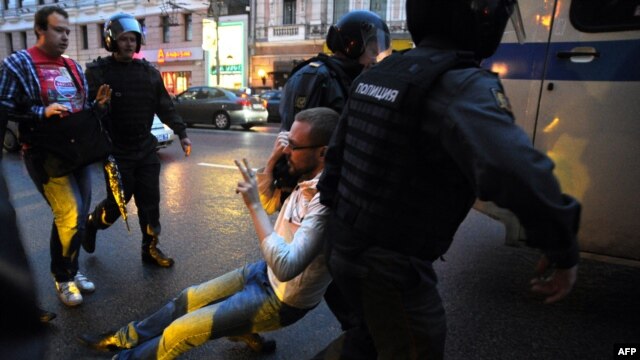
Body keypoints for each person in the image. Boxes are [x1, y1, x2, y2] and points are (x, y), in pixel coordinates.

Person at [316, 0, 581, 358]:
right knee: (414, 346)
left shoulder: (379, 73)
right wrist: (562, 245)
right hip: (389, 266)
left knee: (369, 340)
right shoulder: (459, 84)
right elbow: (517, 172)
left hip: (345, 245)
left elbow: (334, 164)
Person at [78, 107, 339, 359]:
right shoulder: (304, 175)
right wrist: (271, 162)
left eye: (293, 146)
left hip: (282, 298)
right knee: (187, 298)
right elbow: (271, 204)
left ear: (323, 153)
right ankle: (126, 337)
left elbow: (286, 266)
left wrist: (254, 206)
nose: (286, 150)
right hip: (264, 271)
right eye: (286, 142)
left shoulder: (326, 200)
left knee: (181, 331)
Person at [0, 6, 111, 307]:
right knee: (70, 213)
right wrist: (40, 111)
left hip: (76, 151)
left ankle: (72, 271)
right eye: (58, 30)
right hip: (44, 154)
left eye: (67, 30)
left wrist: (97, 107)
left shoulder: (72, 67)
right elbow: (4, 107)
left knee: (77, 215)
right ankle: (62, 277)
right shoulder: (18, 64)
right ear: (39, 30)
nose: (65, 36)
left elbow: (81, 108)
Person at [82, 13, 192, 267]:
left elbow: (166, 106)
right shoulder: (98, 73)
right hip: (116, 151)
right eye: (123, 39)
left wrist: (182, 133)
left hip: (144, 148)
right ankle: (92, 223)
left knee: (150, 202)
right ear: (111, 41)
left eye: (133, 39)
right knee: (116, 206)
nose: (129, 44)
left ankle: (150, 249)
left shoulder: (148, 73)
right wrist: (100, 106)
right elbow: (89, 112)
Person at [278, 10, 390, 131]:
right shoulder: (315, 77)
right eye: (373, 52)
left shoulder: (349, 79)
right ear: (354, 46)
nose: (375, 60)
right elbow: (298, 136)